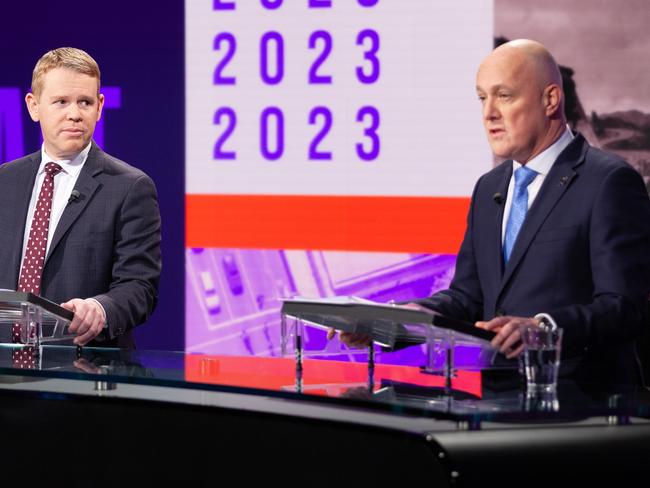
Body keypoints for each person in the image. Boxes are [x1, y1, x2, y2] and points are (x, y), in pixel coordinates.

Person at [331, 39, 650, 384]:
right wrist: (393, 321)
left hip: (582, 405)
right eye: (483, 98)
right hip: (496, 399)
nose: (489, 113)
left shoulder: (608, 181)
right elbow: (467, 299)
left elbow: (625, 307)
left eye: (504, 96)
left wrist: (544, 328)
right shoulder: (488, 188)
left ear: (550, 100)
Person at [0, 47, 161, 348]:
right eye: (61, 102)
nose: (74, 113)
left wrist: (100, 309)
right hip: (6, 369)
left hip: (84, 369)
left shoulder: (130, 187)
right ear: (33, 106)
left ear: (100, 107)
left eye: (85, 102)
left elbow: (140, 287)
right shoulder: (5, 181)